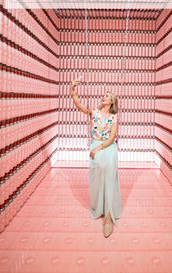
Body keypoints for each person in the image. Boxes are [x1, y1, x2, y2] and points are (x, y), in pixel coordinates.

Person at [70, 77, 123, 238]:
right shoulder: (94, 112)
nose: (104, 97)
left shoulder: (114, 117)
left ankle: (108, 216)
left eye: (107, 96)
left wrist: (99, 147)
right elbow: (78, 106)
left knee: (108, 172)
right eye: (104, 95)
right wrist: (72, 88)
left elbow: (112, 137)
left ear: (112, 102)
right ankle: (99, 207)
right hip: (95, 145)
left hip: (107, 147)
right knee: (97, 178)